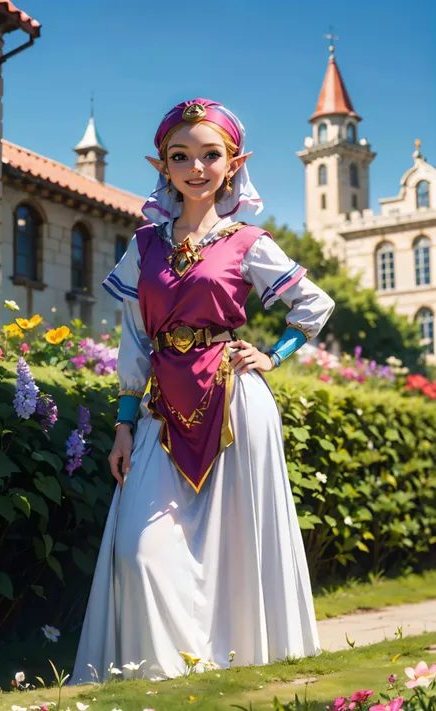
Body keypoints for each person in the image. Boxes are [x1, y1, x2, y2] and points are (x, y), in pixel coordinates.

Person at [70, 98, 335, 683]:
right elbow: (135, 342)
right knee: (141, 555)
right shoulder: (143, 245)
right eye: (180, 156)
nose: (196, 167)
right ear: (162, 165)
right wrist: (121, 424)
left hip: (236, 405)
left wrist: (273, 354)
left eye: (210, 155)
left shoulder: (250, 241)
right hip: (160, 412)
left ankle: (228, 670)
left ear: (233, 163)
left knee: (237, 554)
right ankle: (160, 676)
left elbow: (313, 305)